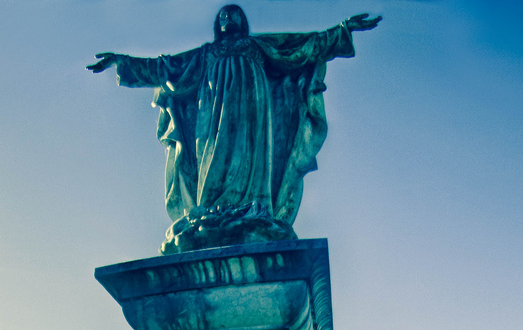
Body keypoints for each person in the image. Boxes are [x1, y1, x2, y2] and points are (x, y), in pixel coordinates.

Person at [88, 6, 381, 253]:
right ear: (218, 25)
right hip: (213, 114)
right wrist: (123, 62)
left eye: (234, 15)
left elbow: (299, 46)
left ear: (243, 21)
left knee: (250, 154)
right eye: (223, 17)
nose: (228, 19)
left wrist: (342, 31)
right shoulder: (206, 54)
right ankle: (214, 211)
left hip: (253, 111)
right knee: (215, 153)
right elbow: (167, 68)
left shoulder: (257, 47)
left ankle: (253, 208)